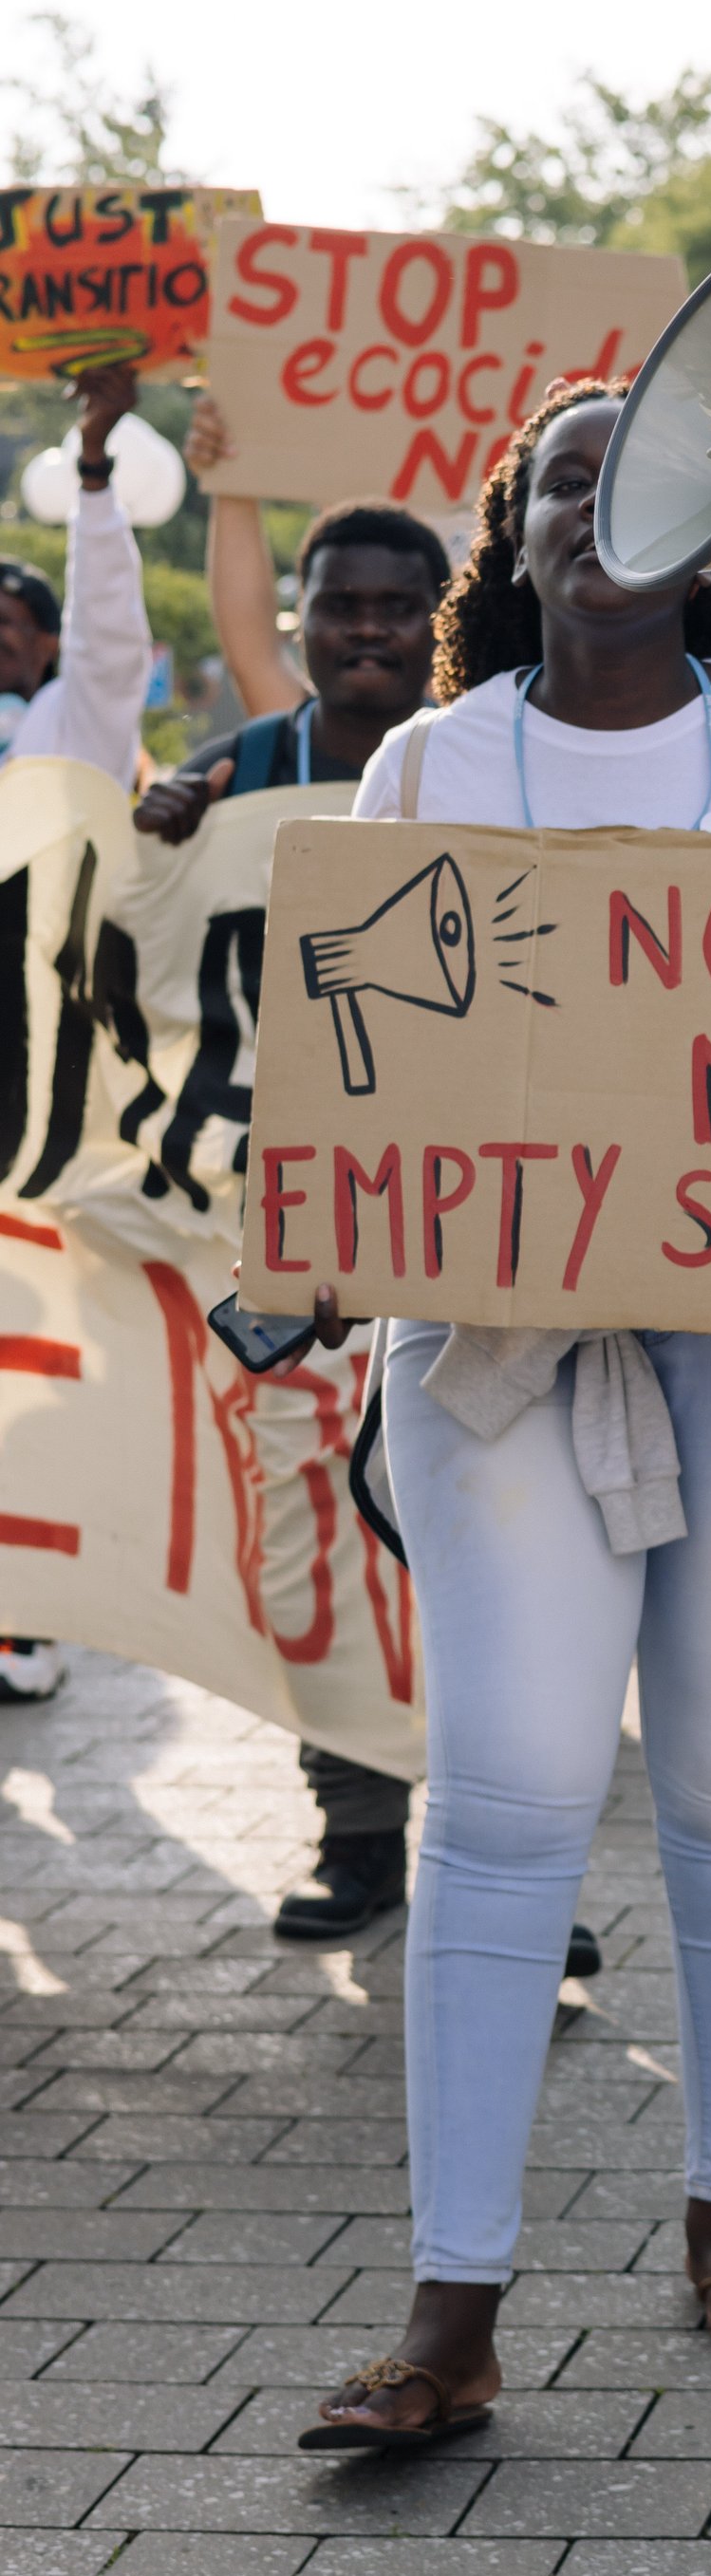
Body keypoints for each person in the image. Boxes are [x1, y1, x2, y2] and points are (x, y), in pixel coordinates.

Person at [297, 376, 711, 2448]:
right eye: (562, 476)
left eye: (638, 475)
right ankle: (452, 2301)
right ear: (519, 531)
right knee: (512, 1788)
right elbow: (362, 1058)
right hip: (494, 1343)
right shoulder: (430, 761)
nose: (597, 506)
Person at [132, 415, 539, 1952]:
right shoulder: (236, 773)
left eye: (395, 603)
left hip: (479, 1230)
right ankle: (359, 1835)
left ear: (441, 616)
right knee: (309, 1540)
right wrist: (158, 838)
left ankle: (506, 1867)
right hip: (287, 1233)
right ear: (296, 623)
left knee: (483, 1555)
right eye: (337, 603)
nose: (364, 628)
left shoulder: (505, 760)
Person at [0, 365, 155, 1708]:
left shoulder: (69, 733)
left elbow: (114, 638)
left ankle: (28, 1607)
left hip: (32, 1101)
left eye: (12, 619)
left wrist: (93, 475)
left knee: (30, 1354)